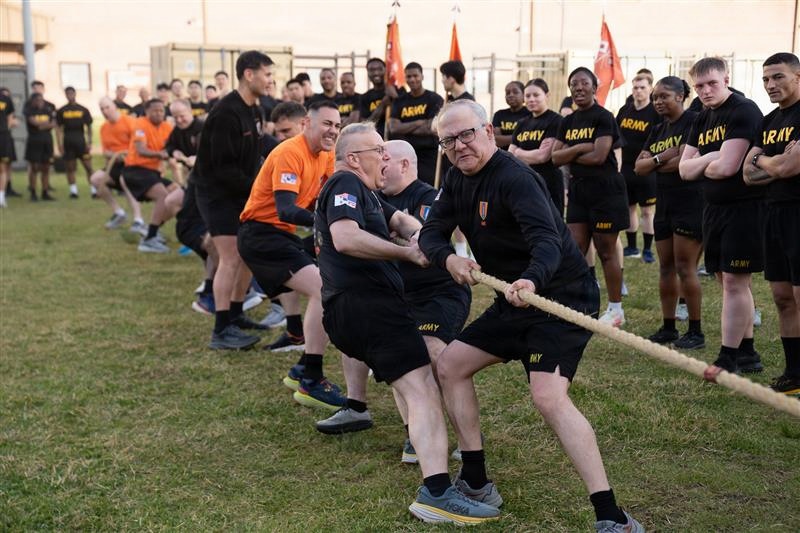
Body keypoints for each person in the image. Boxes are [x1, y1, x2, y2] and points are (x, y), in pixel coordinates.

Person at [418, 99, 643, 532]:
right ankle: (477, 480)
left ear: (488, 131)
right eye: (449, 140)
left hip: (559, 298)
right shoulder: (455, 177)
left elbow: (547, 241)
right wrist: (449, 258)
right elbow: (431, 233)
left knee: (547, 397)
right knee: (449, 366)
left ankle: (612, 517)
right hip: (513, 300)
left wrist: (532, 280)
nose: (459, 146)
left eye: (467, 134)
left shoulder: (515, 178)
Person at [316, 121, 500, 525]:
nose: (385, 157)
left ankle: (434, 483)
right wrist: (406, 254)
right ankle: (437, 493)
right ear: (354, 158)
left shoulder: (367, 193)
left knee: (416, 387)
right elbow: (345, 237)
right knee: (422, 390)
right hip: (368, 306)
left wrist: (429, 243)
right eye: (378, 150)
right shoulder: (344, 184)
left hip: (361, 308)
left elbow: (402, 221)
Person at [238, 101, 348, 409]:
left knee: (328, 289)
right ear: (306, 124)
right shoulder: (289, 151)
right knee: (324, 290)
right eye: (327, 123)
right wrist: (326, 224)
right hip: (261, 235)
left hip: (280, 236)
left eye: (337, 125)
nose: (333, 131)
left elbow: (321, 200)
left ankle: (303, 368)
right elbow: (286, 209)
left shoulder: (326, 155)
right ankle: (310, 378)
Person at [370, 139, 471, 461]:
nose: (379, 165)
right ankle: (415, 433)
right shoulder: (373, 199)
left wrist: (392, 235)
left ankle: (468, 438)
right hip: (399, 296)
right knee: (400, 358)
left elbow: (427, 238)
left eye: (385, 160)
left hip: (439, 292)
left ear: (404, 165)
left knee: (434, 353)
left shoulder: (428, 196)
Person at [679, 57, 765, 379]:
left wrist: (706, 160)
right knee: (724, 278)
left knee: (734, 281)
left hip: (744, 209)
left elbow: (728, 168)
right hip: (713, 209)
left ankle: (728, 357)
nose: (705, 91)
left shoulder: (743, 110)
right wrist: (712, 158)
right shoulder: (702, 117)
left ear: (726, 79)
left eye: (712, 83)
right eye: (699, 86)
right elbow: (683, 170)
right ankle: (748, 352)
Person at [193, 51, 274, 350]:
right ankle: (221, 329)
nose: (270, 80)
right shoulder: (225, 112)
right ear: (249, 74)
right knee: (230, 258)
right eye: (267, 74)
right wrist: (258, 189)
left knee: (247, 253)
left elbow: (260, 145)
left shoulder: (255, 109)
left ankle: (236, 315)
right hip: (217, 194)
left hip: (242, 191)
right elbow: (222, 168)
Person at [552, 67, 630, 328]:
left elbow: (599, 156)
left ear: (595, 87)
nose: (578, 88)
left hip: (605, 191)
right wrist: (581, 147)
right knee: (574, 250)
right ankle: (577, 305)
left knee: (606, 251)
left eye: (584, 83)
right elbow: (554, 158)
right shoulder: (567, 121)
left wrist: (571, 152)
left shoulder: (604, 117)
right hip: (578, 190)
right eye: (574, 84)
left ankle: (616, 309)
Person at [743, 52, 800, 395]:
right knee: (781, 296)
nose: (770, 85)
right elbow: (748, 174)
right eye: (765, 79)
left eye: (778, 77)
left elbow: (789, 168)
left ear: (797, 77)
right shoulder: (768, 121)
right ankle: (794, 374)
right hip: (773, 213)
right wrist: (775, 161)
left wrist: (765, 160)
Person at [635, 77, 704, 349]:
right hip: (664, 204)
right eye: (655, 98)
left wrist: (656, 162)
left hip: (690, 202)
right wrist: (663, 157)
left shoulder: (694, 122)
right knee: (666, 267)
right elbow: (639, 168)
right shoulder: (658, 129)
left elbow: (684, 163)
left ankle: (695, 331)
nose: (658, 102)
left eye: (664, 96)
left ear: (680, 96)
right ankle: (669, 327)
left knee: (685, 267)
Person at [121, 99, 177, 253]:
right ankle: (149, 240)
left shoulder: (167, 127)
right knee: (163, 196)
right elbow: (141, 149)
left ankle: (151, 229)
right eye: (155, 111)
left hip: (152, 172)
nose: (159, 113)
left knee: (177, 195)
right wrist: (160, 155)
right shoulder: (140, 124)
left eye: (161, 110)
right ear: (146, 112)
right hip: (135, 171)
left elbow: (173, 145)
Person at [617, 73, 661, 263]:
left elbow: (661, 138)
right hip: (626, 168)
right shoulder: (625, 110)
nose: (638, 91)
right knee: (629, 208)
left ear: (650, 89)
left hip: (646, 170)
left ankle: (648, 250)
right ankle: (632, 247)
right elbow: (616, 136)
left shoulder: (655, 113)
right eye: (635, 87)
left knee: (647, 211)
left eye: (642, 87)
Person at [509, 78, 565, 216]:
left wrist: (519, 152)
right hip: (525, 181)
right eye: (527, 96)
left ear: (547, 95)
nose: (531, 99)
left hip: (549, 182)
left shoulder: (556, 120)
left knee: (551, 222)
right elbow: (510, 155)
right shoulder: (522, 123)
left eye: (536, 95)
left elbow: (543, 156)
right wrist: (525, 154)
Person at [90, 97, 143, 231]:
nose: (105, 111)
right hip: (115, 162)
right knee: (95, 179)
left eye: (107, 107)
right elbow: (106, 151)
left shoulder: (129, 121)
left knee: (125, 181)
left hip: (132, 163)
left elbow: (138, 144)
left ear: (114, 106)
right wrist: (113, 155)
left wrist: (125, 154)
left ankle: (138, 220)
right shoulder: (104, 128)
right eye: (102, 109)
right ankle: (119, 213)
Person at [388, 62, 443, 185]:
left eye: (415, 76)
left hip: (429, 155)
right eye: (409, 76)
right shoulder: (400, 101)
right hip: (404, 154)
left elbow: (431, 127)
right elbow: (393, 128)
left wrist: (404, 127)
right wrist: (419, 122)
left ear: (422, 76)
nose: (412, 80)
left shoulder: (435, 99)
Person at [55, 86, 94, 199]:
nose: (70, 95)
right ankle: (73, 191)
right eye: (67, 93)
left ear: (75, 94)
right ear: (65, 95)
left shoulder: (83, 109)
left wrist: (89, 142)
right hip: (68, 142)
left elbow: (89, 127)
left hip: (81, 142)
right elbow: (58, 129)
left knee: (88, 167)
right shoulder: (62, 110)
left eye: (71, 93)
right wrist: (59, 144)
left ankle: (94, 190)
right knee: (70, 167)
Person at [24, 93, 56, 201]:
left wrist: (41, 125)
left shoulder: (48, 110)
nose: (40, 102)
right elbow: (34, 123)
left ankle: (45, 192)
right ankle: (33, 192)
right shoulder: (29, 110)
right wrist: (45, 124)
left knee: (46, 167)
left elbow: (53, 124)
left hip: (47, 142)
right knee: (34, 168)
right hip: (34, 142)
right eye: (38, 100)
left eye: (41, 100)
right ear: (33, 101)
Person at [360, 58, 399, 138]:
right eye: (372, 70)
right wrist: (382, 105)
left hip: (397, 139)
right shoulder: (364, 97)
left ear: (385, 70)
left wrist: (395, 98)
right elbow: (365, 125)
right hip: (375, 140)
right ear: (368, 73)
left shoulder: (399, 90)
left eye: (379, 69)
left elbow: (403, 116)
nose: (376, 73)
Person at [491, 81, 529, 150]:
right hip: (503, 154)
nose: (511, 95)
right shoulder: (499, 114)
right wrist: (519, 137)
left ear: (524, 95)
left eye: (515, 92)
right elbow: (495, 140)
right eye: (507, 93)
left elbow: (529, 140)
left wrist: (504, 139)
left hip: (524, 154)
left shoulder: (530, 114)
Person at [0, 87, 16, 207]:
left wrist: (5, 131)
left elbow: (10, 119)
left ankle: (1, 197)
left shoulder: (5, 99)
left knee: (2, 168)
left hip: (2, 137)